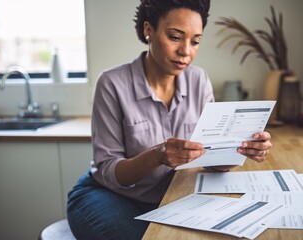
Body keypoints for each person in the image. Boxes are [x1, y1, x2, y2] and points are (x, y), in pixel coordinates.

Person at [66, 0, 272, 239]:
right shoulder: (112, 83)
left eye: (195, 41)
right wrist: (158, 155)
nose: (186, 51)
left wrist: (240, 148)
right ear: (148, 30)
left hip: (172, 199)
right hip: (109, 195)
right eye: (175, 37)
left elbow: (212, 160)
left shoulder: (199, 81)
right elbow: (110, 170)